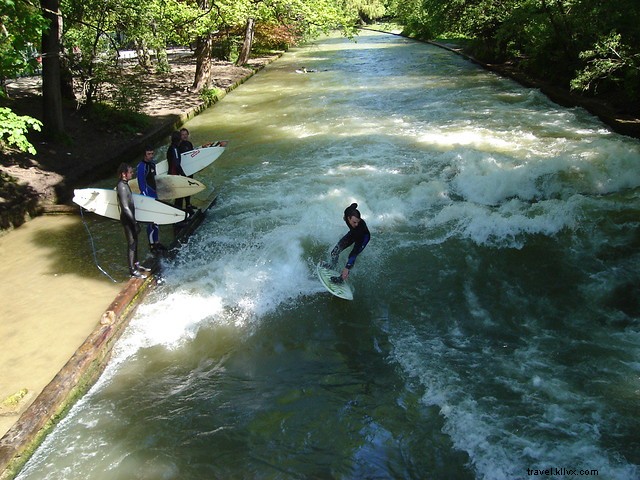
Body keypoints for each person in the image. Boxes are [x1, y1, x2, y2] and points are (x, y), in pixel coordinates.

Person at [116, 163, 150, 278]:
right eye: (130, 172)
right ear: (123, 174)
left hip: (131, 218)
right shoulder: (121, 186)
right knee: (131, 244)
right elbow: (125, 207)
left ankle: (136, 265)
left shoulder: (126, 184)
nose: (132, 174)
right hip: (127, 219)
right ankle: (132, 270)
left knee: (136, 242)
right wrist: (134, 223)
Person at [329, 203, 371, 282]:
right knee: (334, 252)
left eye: (358, 222)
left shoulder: (359, 230)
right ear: (348, 218)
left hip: (363, 237)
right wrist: (354, 205)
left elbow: (355, 251)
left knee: (351, 257)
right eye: (354, 222)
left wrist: (347, 267)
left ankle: (342, 278)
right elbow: (353, 206)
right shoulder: (347, 212)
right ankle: (332, 266)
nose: (356, 224)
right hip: (352, 233)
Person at [136, 146, 166, 253]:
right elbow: (141, 183)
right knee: (151, 222)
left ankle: (157, 242)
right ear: (144, 155)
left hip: (155, 194)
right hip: (147, 196)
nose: (151, 156)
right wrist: (145, 197)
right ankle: (152, 245)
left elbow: (155, 179)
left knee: (157, 220)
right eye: (149, 154)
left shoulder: (153, 164)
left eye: (152, 153)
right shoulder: (141, 166)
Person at [168, 129, 194, 213]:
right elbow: (176, 163)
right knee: (179, 196)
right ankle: (178, 218)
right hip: (176, 175)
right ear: (178, 139)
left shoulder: (173, 147)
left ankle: (184, 209)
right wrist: (182, 174)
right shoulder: (174, 149)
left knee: (182, 193)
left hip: (178, 174)